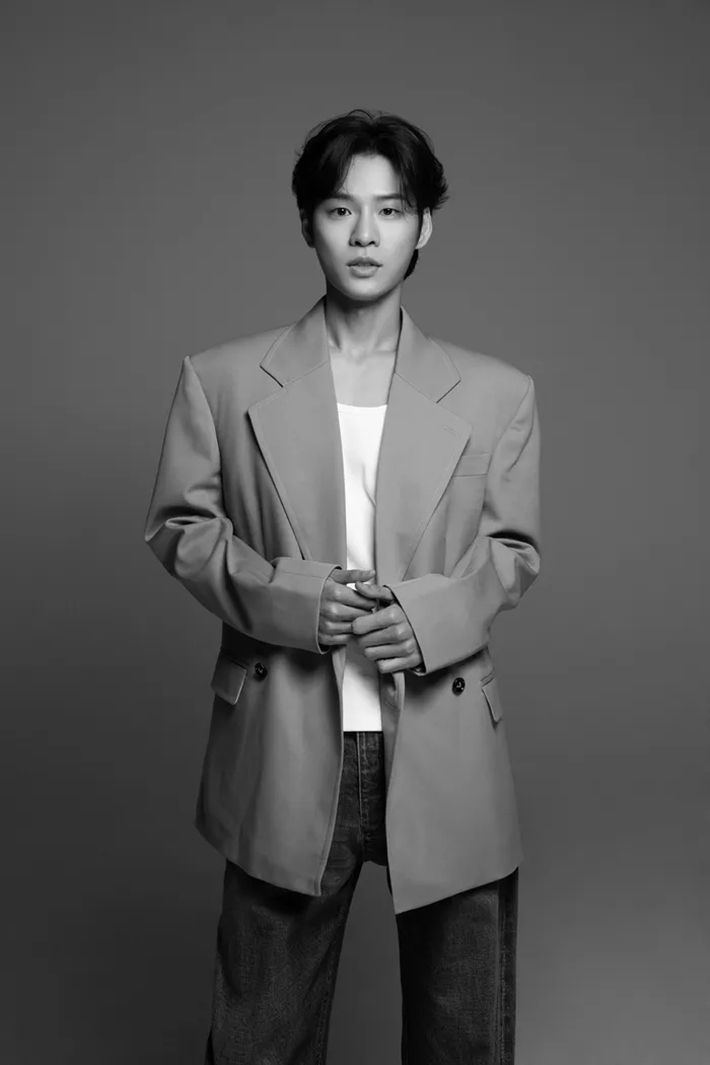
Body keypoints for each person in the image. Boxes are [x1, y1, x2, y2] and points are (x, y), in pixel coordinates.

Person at [144, 107, 541, 1065]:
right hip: (282, 737)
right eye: (339, 209)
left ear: (423, 226)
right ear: (308, 224)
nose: (365, 234)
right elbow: (179, 527)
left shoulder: (499, 392)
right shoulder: (222, 380)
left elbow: (512, 550)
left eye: (390, 210)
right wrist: (292, 599)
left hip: (443, 736)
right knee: (260, 1042)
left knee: (463, 1042)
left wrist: (429, 617)